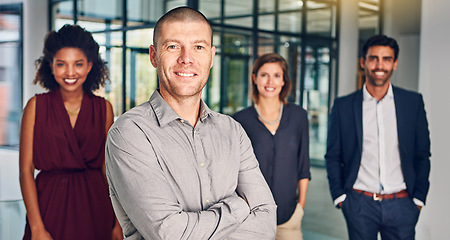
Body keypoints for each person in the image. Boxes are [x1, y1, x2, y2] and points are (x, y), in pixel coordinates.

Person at [105, 6, 277, 240]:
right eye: (173, 46)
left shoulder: (232, 131)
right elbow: (170, 234)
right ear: (154, 56)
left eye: (198, 47)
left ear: (212, 57)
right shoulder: (129, 134)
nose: (186, 59)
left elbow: (266, 224)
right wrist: (239, 207)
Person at [19, 24, 122, 240]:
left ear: (89, 66)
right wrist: (37, 227)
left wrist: (117, 222)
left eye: (78, 64)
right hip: (48, 208)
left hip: (96, 208)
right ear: (51, 66)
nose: (70, 73)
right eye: (61, 64)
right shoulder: (35, 106)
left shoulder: (104, 109)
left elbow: (108, 172)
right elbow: (26, 171)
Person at [325, 35, 431, 240]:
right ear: (363, 62)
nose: (379, 65)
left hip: (402, 203)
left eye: (386, 59)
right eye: (373, 58)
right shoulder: (343, 106)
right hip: (359, 204)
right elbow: (333, 155)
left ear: (395, 63)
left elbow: (422, 154)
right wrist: (340, 197)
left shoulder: (412, 103)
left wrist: (418, 199)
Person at [233, 53, 311, 240]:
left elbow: (303, 166)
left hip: (289, 217)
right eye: (264, 74)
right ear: (254, 78)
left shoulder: (298, 116)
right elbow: (234, 172)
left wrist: (301, 207)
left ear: (284, 81)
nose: (270, 81)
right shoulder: (239, 120)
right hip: (251, 219)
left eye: (277, 75)